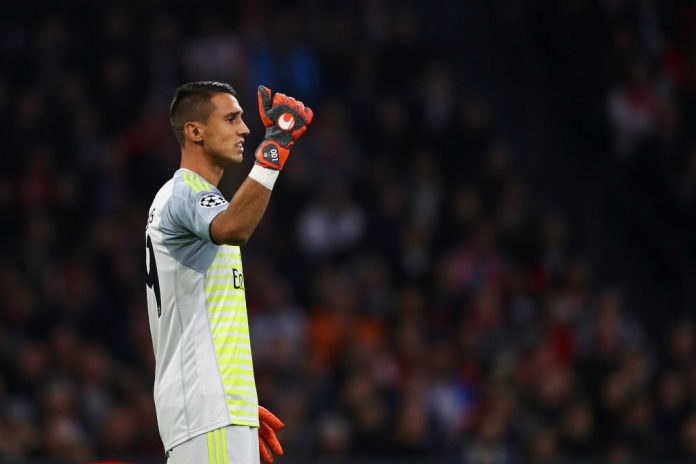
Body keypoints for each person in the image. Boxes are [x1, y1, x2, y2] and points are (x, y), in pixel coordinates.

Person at [144, 81, 313, 464]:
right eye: (231, 119)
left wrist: (237, 406)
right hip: (208, 411)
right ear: (195, 131)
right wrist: (275, 149)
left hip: (213, 409)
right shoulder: (186, 191)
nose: (245, 129)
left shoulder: (186, 199)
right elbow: (233, 228)